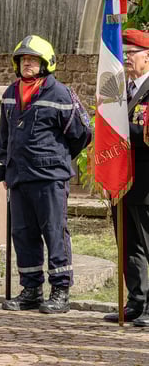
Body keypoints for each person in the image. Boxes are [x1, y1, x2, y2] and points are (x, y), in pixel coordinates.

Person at [0, 35, 91, 314]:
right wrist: (5, 167)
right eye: (23, 59)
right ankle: (31, 291)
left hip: (49, 178)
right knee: (23, 234)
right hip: (18, 177)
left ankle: (61, 291)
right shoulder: (10, 93)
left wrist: (56, 158)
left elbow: (82, 133)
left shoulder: (61, 93)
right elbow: (4, 136)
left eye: (33, 59)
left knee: (54, 233)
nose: (27, 63)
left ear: (46, 63)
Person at [104, 29, 149, 326]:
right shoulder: (121, 90)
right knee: (129, 245)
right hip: (122, 180)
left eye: (131, 53)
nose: (126, 58)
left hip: (146, 182)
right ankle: (137, 300)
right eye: (124, 53)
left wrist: (119, 130)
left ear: (148, 56)